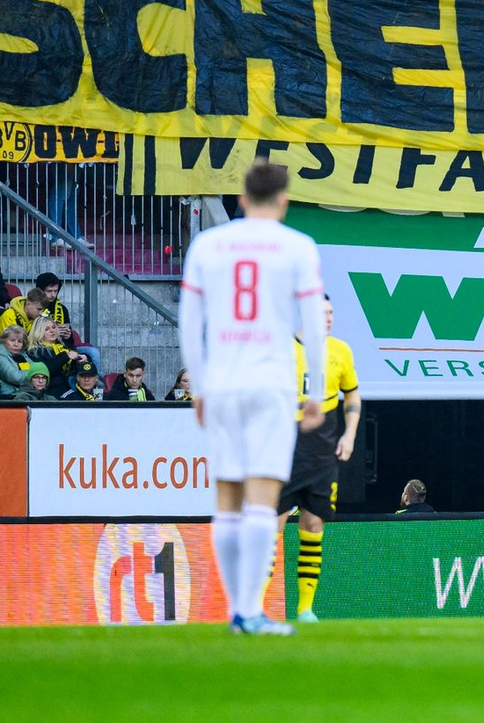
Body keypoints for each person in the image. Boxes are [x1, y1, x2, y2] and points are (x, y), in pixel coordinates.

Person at [179, 161, 326, 637]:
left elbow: (189, 322)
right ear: (283, 201)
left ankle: (236, 610)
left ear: (240, 199)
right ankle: (248, 612)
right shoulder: (298, 247)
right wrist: (316, 392)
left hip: (221, 381)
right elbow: (314, 327)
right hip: (271, 384)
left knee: (226, 497)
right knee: (263, 499)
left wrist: (197, 386)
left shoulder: (208, 244)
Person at [275, 293, 361, 623]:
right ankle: (258, 605)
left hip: (322, 454)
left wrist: (349, 433)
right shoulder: (282, 350)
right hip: (284, 451)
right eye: (322, 313)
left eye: (331, 312)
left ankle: (305, 608)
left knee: (314, 525)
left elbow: (352, 391)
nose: (328, 318)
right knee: (273, 527)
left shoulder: (340, 351)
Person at [0, 324, 31, 398]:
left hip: (24, 393)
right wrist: (33, 374)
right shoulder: (1, 355)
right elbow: (15, 377)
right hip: (8, 396)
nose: (16, 344)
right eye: (12, 340)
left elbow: (40, 371)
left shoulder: (22, 354)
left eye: (19, 341)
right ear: (4, 341)